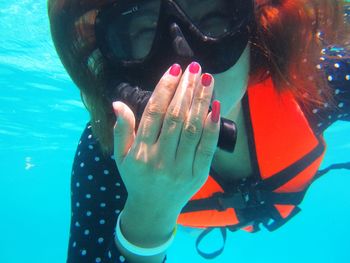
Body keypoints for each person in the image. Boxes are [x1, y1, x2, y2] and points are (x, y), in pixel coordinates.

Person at [48, 0, 350, 262]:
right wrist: (149, 212)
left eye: (212, 19)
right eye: (145, 31)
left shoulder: (306, 80)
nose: (184, 54)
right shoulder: (114, 145)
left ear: (253, 31)